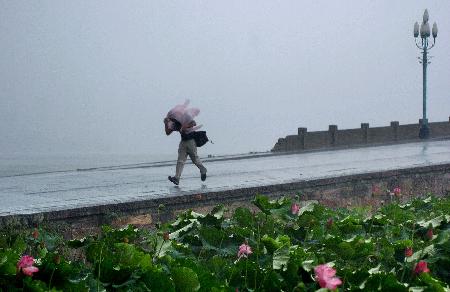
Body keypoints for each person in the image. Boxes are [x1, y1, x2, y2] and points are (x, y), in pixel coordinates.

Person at [164, 115, 207, 185]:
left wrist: (184, 127)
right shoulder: (175, 123)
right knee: (180, 161)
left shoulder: (186, 117)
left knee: (195, 159)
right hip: (183, 142)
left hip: (191, 141)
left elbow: (194, 123)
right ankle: (176, 178)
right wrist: (166, 124)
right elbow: (168, 132)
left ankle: (203, 170)